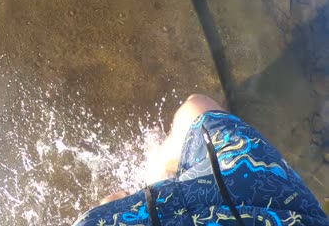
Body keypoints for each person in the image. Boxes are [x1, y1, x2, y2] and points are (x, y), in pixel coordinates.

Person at [73, 94, 329, 225]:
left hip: (268, 209)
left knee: (196, 108)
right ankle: (156, 185)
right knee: (197, 108)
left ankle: (158, 176)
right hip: (272, 212)